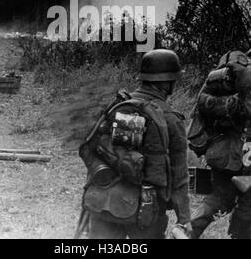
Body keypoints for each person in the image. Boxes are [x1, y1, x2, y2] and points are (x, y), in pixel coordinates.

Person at [78, 49, 192, 239]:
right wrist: (184, 218)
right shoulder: (171, 119)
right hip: (144, 210)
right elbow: (179, 174)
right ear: (167, 82)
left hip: (102, 200)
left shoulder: (119, 105)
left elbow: (97, 147)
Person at [189, 50, 251, 239]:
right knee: (248, 206)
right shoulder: (243, 72)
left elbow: (200, 105)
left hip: (223, 153)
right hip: (245, 153)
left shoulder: (231, 67)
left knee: (218, 199)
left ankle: (185, 231)